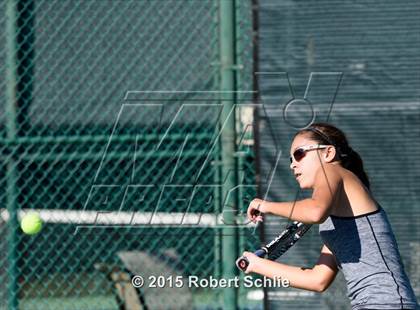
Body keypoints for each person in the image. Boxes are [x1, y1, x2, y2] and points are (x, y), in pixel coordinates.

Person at [242, 122, 418, 310]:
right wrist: (257, 265)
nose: (293, 164)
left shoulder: (331, 170)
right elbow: (317, 279)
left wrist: (265, 205)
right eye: (290, 158)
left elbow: (314, 211)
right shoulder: (333, 223)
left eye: (299, 153)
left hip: (387, 304)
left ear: (328, 153)